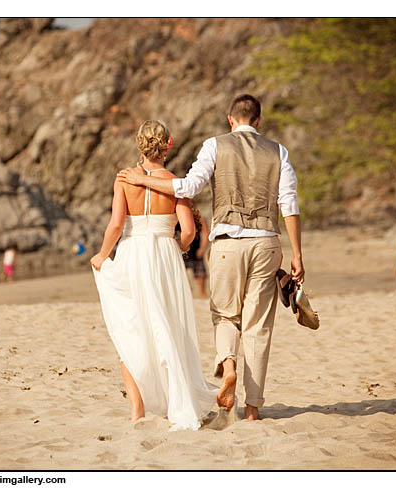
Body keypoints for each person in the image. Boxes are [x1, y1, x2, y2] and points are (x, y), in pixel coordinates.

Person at [118, 94, 304, 421]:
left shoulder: (215, 145)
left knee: (225, 314)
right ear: (258, 121)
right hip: (266, 242)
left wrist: (142, 179)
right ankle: (253, 409)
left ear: (230, 120)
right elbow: (288, 204)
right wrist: (297, 254)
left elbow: (189, 185)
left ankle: (228, 366)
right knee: (258, 326)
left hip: (228, 241)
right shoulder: (279, 151)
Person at [91, 120, 218, 430]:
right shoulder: (176, 183)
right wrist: (179, 246)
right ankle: (177, 401)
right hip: (165, 256)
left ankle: (137, 410)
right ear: (168, 145)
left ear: (140, 145)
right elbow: (188, 230)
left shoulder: (124, 180)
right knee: (168, 326)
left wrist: (102, 255)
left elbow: (117, 226)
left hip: (133, 254)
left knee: (131, 327)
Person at [176, 209, 210, 299]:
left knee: (200, 273)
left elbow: (206, 233)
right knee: (180, 273)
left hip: (195, 248)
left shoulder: (199, 217)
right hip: (180, 247)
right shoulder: (177, 216)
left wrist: (202, 248)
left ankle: (202, 294)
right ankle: (185, 294)